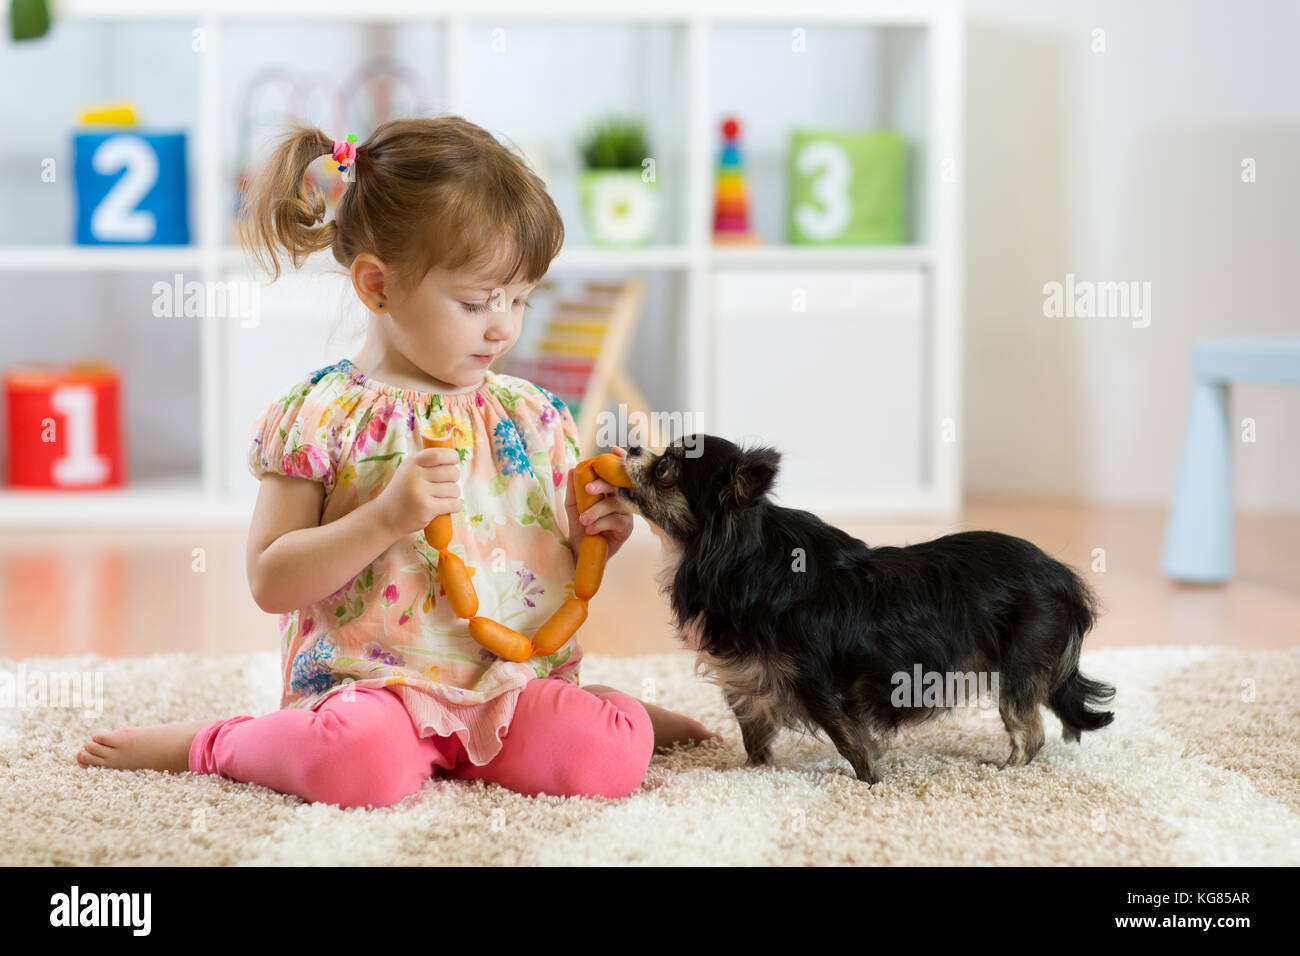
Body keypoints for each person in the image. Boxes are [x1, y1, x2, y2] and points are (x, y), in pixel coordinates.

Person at [74, 115, 719, 808]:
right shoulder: (321, 417)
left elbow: (547, 559)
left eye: (520, 299)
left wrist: (591, 533)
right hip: (371, 691)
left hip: (506, 686)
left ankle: (599, 711)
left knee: (608, 758)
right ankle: (216, 742)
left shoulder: (533, 415)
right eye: (476, 302)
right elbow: (271, 580)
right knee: (359, 769)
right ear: (376, 285)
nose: (503, 324)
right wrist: (385, 519)